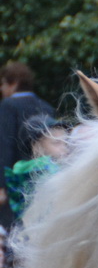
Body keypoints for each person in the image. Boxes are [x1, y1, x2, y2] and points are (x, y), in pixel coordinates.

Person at [0, 64, 54, 232]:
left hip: (15, 181)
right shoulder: (46, 107)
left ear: (13, 83)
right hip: (44, 177)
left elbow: (4, 146)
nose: (1, 89)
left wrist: (1, 186)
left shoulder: (7, 106)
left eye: (2, 83)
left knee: (14, 231)